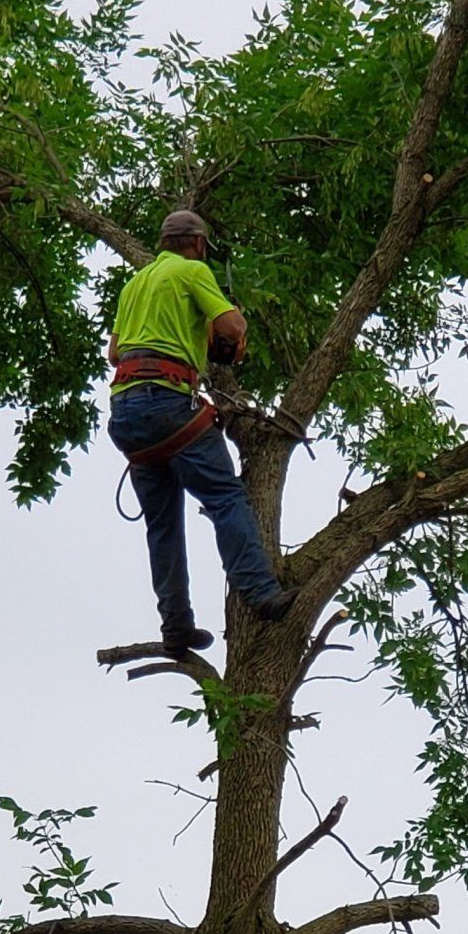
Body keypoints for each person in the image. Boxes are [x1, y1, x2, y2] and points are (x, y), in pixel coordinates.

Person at [107, 209, 293, 652]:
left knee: (163, 524)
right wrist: (224, 324)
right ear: (198, 244)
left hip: (126, 413)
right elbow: (233, 327)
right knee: (225, 496)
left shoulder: (135, 283)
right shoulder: (194, 270)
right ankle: (261, 594)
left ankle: (175, 626)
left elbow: (116, 352)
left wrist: (192, 336)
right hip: (168, 403)